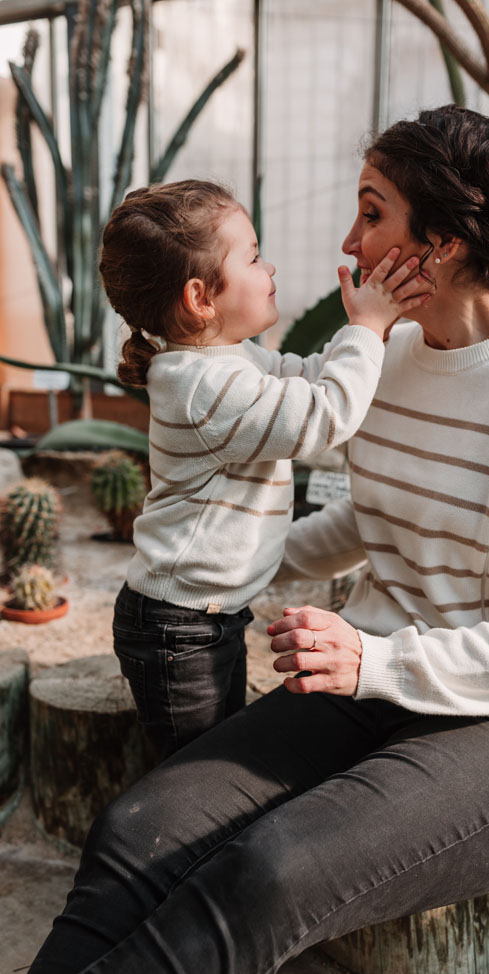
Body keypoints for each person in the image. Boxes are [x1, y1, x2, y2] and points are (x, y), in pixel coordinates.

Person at [16, 106, 489, 974]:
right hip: (368, 687)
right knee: (136, 828)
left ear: (445, 242)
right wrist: (239, 574)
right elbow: (374, 518)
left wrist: (375, 655)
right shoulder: (395, 357)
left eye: (373, 213)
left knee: (265, 870)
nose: (348, 240)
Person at [98, 180, 429, 759]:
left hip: (202, 621)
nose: (268, 265)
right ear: (201, 298)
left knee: (214, 750)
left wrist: (378, 332)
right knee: (193, 774)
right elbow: (321, 418)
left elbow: (302, 372)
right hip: (179, 630)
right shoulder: (201, 386)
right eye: (252, 256)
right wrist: (366, 331)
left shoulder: (228, 359)